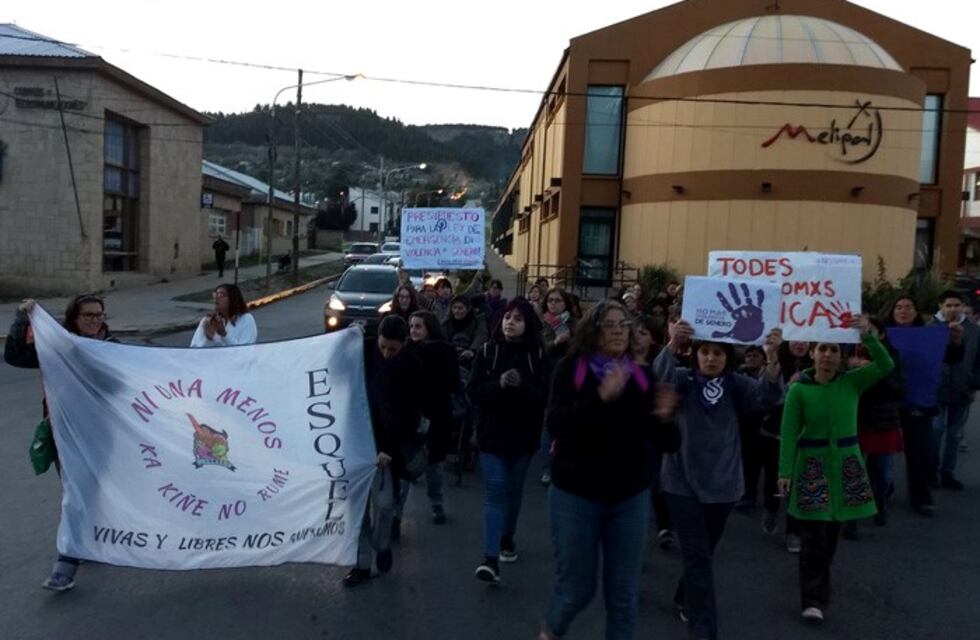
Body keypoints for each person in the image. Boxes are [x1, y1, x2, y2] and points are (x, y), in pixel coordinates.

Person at [539, 300, 679, 640]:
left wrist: (664, 418)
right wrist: (600, 397)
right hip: (576, 494)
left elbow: (667, 444)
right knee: (577, 590)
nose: (618, 329)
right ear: (592, 331)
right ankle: (551, 631)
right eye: (608, 324)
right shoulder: (572, 368)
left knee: (623, 598)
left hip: (629, 497)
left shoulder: (641, 374)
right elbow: (557, 426)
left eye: (624, 323)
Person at [654, 320, 783, 640]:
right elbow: (657, 379)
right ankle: (703, 630)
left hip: (723, 484)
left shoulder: (736, 385)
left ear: (728, 358)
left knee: (704, 551)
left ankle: (685, 594)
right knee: (697, 555)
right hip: (681, 481)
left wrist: (772, 356)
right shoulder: (683, 380)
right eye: (705, 352)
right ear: (696, 355)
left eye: (718, 354)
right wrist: (672, 344)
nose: (711, 359)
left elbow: (767, 397)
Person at [778, 315, 894, 623]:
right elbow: (789, 432)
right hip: (811, 465)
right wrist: (785, 471)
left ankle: (817, 579)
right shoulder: (799, 389)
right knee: (813, 534)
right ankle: (814, 600)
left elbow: (886, 366)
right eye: (822, 349)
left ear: (841, 356)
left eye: (833, 350)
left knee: (831, 533)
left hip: (845, 465)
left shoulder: (852, 382)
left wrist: (868, 335)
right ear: (813, 353)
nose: (827, 355)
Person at [4, 294, 118, 592]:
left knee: (82, 494)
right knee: (77, 493)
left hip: (100, 436)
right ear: (73, 319)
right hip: (64, 435)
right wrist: (22, 319)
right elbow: (16, 356)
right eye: (87, 316)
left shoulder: (114, 349)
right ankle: (81, 547)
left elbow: (122, 384)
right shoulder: (57, 348)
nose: (94, 320)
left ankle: (67, 564)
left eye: (98, 315)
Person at [468, 298, 547, 583]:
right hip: (491, 436)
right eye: (506, 317)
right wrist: (498, 384)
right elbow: (474, 391)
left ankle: (507, 537)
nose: (510, 322)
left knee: (513, 493)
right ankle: (490, 559)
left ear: (527, 324)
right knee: (496, 491)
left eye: (517, 318)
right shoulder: (487, 351)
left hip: (523, 438)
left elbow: (543, 397)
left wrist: (521, 386)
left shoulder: (537, 355)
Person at [345, 315, 424, 587]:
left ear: (403, 343)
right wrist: (348, 336)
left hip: (387, 449)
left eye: (393, 348)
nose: (386, 352)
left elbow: (410, 415)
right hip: (356, 440)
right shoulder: (364, 349)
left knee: (385, 504)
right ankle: (362, 564)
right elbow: (335, 365)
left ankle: (381, 544)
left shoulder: (412, 366)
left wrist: (388, 450)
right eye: (383, 346)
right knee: (357, 509)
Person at [885, 295, 959, 515]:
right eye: (898, 307)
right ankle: (880, 492)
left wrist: (955, 341)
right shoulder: (882, 335)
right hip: (886, 402)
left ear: (916, 312)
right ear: (892, 311)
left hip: (918, 402)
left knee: (919, 453)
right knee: (881, 452)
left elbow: (951, 358)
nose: (903, 311)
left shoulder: (930, 336)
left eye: (909, 307)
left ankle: (920, 497)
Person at [843, 317, 904, 537]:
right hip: (854, 419)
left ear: (881, 334)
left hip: (881, 422)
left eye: (868, 328)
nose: (862, 331)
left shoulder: (890, 355)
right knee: (852, 470)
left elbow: (898, 389)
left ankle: (879, 501)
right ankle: (851, 519)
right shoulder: (845, 353)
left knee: (880, 473)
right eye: (859, 328)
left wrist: (874, 372)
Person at [403, 310, 459, 524]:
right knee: (406, 464)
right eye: (411, 326)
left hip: (437, 414)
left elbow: (453, 383)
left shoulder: (444, 351)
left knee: (434, 464)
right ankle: (397, 515)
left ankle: (436, 503)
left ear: (429, 328)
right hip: (412, 416)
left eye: (418, 326)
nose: (414, 331)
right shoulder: (405, 350)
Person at [757, 341, 811, 550]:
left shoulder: (818, 364)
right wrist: (789, 388)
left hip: (805, 435)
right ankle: (771, 507)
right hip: (774, 433)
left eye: (805, 340)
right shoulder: (774, 362)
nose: (800, 344)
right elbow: (765, 398)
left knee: (799, 484)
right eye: (796, 339)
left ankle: (794, 531)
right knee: (774, 479)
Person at [932, 290, 980, 490]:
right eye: (949, 305)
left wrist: (974, 380)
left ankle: (948, 472)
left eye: (957, 304)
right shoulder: (931, 328)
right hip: (936, 389)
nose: (953, 308)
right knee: (936, 430)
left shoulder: (974, 330)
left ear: (963, 306)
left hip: (963, 389)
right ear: (941, 306)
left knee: (954, 434)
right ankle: (931, 470)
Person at [632, 314, 673, 550]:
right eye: (635, 330)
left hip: (651, 435)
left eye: (644, 332)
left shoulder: (658, 361)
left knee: (656, 480)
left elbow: (659, 381)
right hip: (625, 441)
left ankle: (664, 525)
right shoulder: (616, 361)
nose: (637, 335)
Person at [539, 287, 579, 486]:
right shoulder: (543, 322)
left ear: (566, 304)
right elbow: (541, 348)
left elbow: (583, 348)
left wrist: (570, 341)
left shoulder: (575, 324)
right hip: (549, 377)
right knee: (549, 423)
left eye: (558, 301)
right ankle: (548, 466)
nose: (553, 304)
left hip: (572, 377)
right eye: (550, 300)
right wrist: (555, 342)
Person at [735, 345, 767, 511]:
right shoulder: (738, 375)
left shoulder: (769, 375)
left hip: (765, 422)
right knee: (746, 461)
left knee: (761, 463)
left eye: (756, 355)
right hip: (745, 422)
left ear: (763, 358)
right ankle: (745, 494)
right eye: (749, 356)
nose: (752, 359)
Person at [189, 284, 257, 347]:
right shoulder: (208, 321)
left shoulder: (246, 319)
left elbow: (245, 351)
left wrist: (224, 335)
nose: (216, 298)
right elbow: (194, 349)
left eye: (221, 295)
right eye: (215, 295)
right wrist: (208, 339)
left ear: (232, 299)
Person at [442, 295, 488, 365]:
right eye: (454, 308)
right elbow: (443, 337)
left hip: (470, 355)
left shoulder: (478, 319)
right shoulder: (448, 323)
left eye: (460, 308)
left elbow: (481, 334)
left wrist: (472, 350)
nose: (456, 311)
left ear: (467, 309)